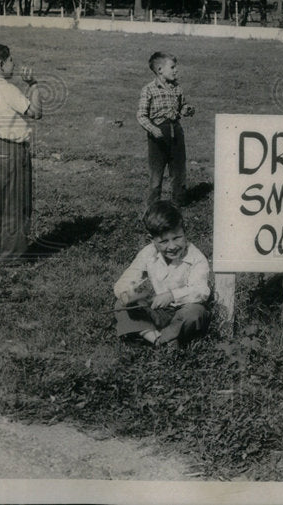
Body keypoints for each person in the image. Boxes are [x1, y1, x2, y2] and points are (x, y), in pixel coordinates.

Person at [0, 43, 43, 264]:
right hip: (13, 151)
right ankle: (13, 257)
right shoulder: (7, 89)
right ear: (1, 65)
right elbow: (35, 112)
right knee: (16, 201)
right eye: (11, 60)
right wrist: (33, 85)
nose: (14, 64)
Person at [113, 201, 212, 348]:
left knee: (196, 313)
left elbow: (201, 291)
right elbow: (129, 276)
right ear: (152, 240)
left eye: (177, 238)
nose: (172, 246)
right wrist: (126, 293)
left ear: (185, 233)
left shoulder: (196, 257)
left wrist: (172, 295)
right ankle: (160, 340)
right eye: (164, 241)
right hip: (157, 310)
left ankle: (158, 336)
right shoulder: (148, 252)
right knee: (121, 305)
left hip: (184, 309)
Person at [137, 51, 194, 210]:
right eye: (173, 67)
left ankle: (178, 203)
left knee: (178, 169)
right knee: (156, 173)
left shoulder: (177, 89)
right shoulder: (148, 90)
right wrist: (153, 129)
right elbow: (141, 115)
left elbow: (182, 107)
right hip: (158, 136)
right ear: (160, 70)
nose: (176, 70)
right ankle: (154, 206)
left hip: (176, 132)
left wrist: (187, 110)